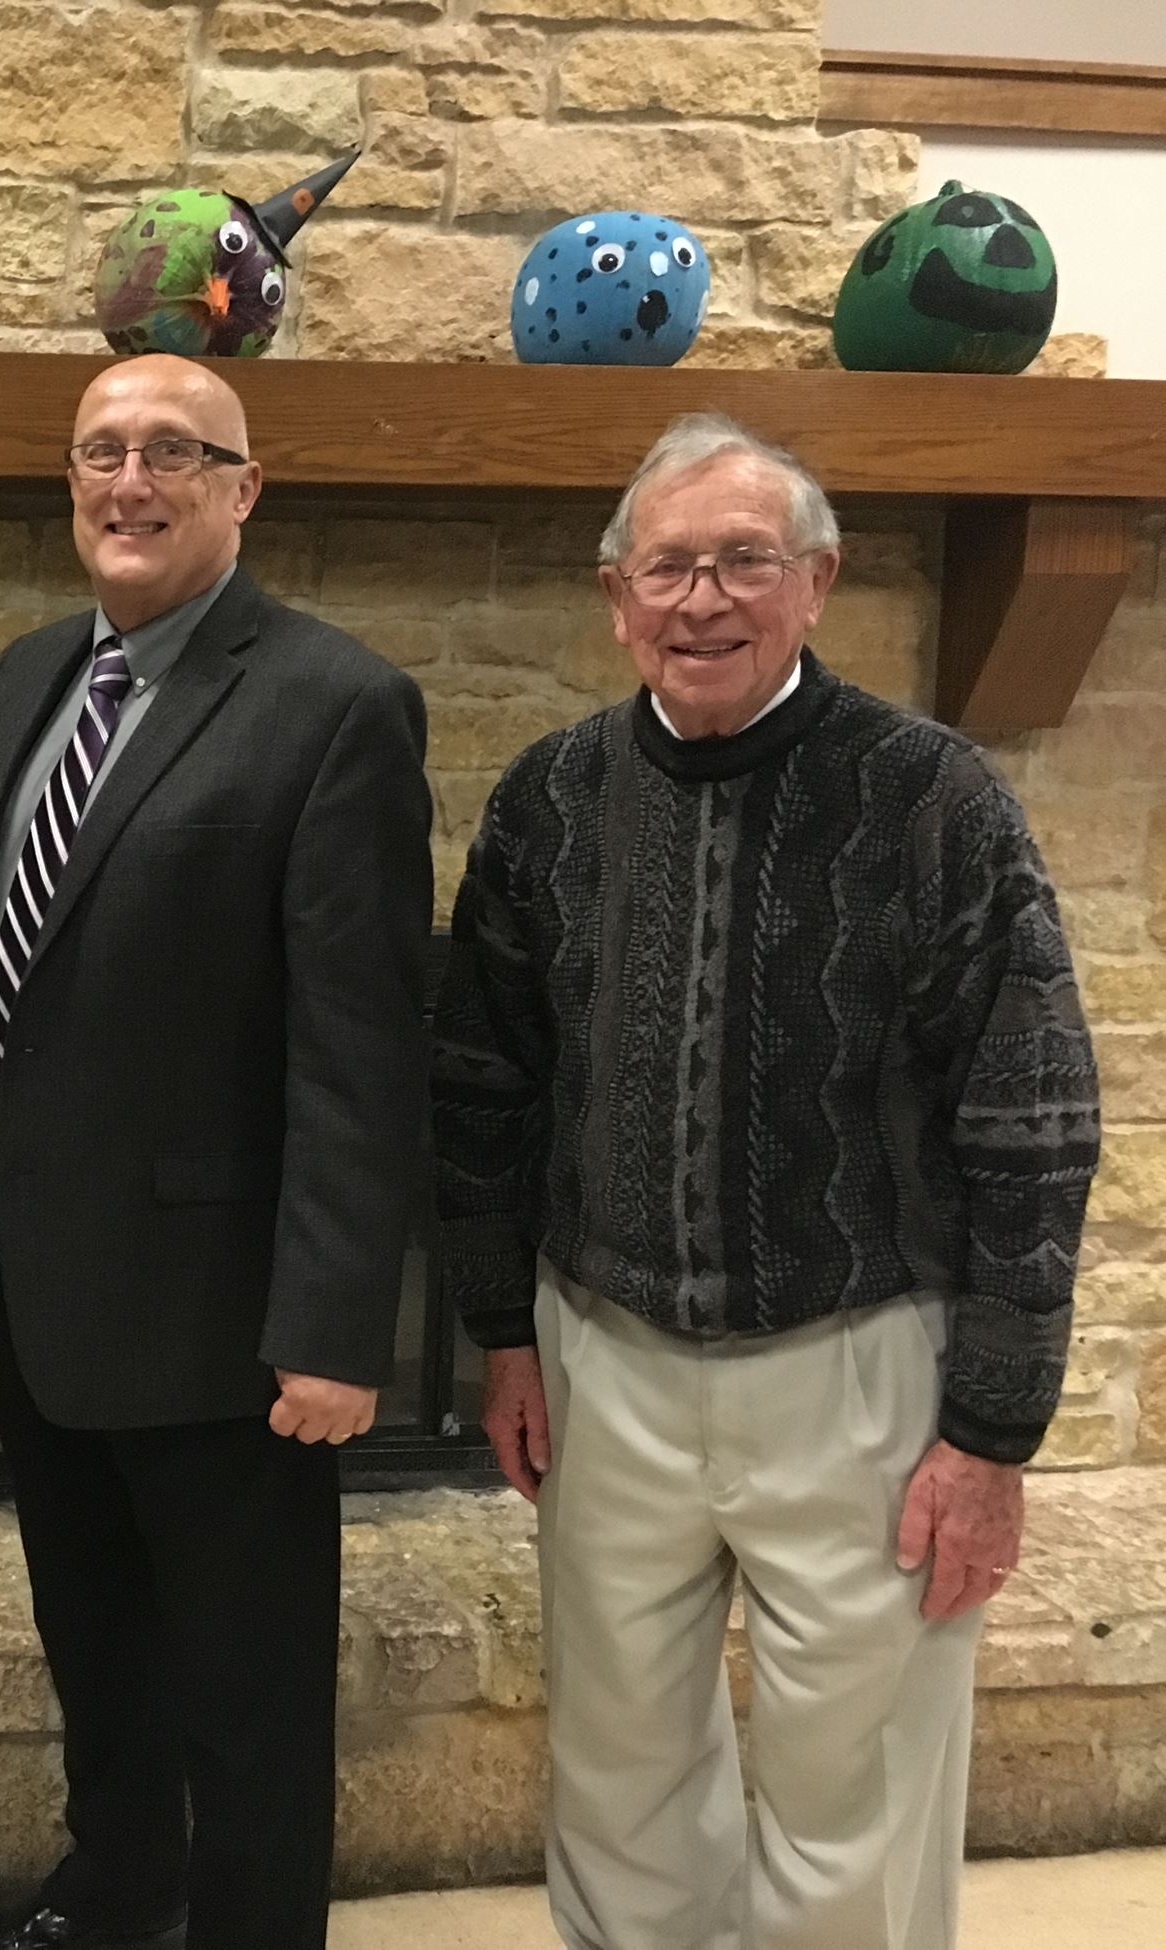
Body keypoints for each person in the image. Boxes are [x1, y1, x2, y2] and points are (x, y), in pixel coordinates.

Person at [431, 412, 1102, 1950]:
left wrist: (993, 1428)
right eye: (668, 566)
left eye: (745, 560)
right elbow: (482, 1085)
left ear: (818, 581)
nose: (703, 600)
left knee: (855, 1785)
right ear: (616, 596)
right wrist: (504, 1331)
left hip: (861, 1364)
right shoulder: (546, 801)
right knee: (618, 1772)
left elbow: (1034, 1115)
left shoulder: (937, 800)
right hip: (608, 1357)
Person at [0, 352, 434, 1950]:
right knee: (99, 1647)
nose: (131, 483)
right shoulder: (29, 673)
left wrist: (337, 1333)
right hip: (43, 1290)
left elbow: (361, 1040)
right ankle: (116, 1894)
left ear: (243, 489)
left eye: (174, 454)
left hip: (227, 1328)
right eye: (101, 453)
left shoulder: (337, 703)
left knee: (248, 1700)